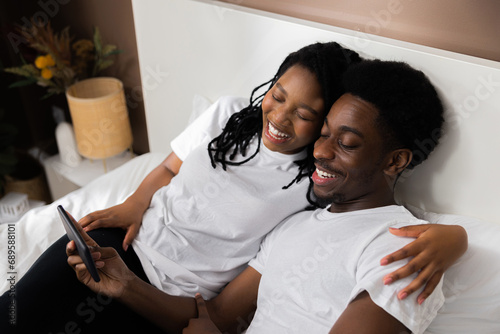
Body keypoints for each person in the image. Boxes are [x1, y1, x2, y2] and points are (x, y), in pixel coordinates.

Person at [0, 43, 465, 333]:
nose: (320, 150)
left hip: (167, 291)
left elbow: (219, 317)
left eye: (314, 122)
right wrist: (131, 211)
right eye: (277, 96)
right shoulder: (289, 210)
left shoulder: (342, 211)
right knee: (15, 313)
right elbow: (168, 169)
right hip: (120, 250)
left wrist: (455, 238)